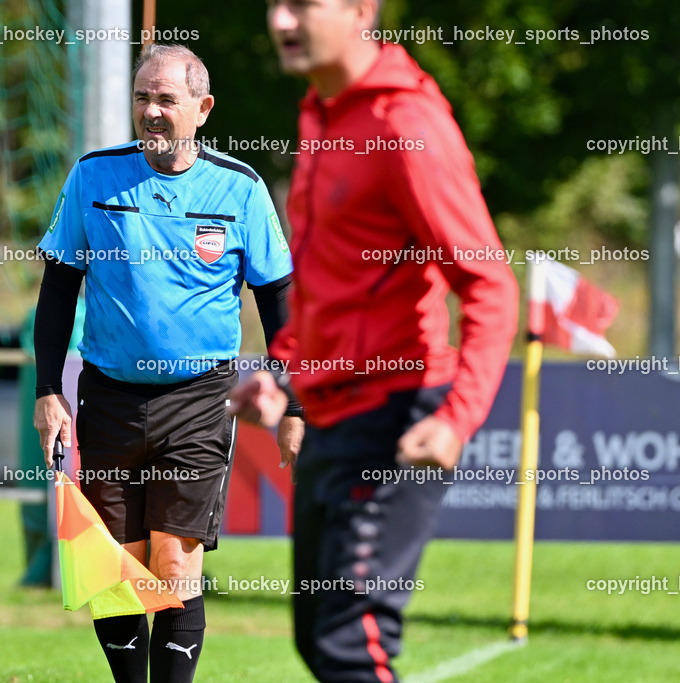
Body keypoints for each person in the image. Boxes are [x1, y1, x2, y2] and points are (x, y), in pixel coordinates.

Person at [230, 2, 519, 681]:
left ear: (361, 10)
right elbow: (330, 282)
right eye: (275, 4)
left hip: (394, 416)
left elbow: (490, 285)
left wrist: (456, 420)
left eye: (303, 4)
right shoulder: (320, 114)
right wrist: (281, 369)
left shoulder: (406, 124)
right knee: (318, 639)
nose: (281, 21)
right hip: (329, 420)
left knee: (350, 643)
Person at [32, 44, 303, 683]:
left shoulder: (240, 188)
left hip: (200, 400)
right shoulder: (93, 177)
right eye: (142, 98)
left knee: (174, 566)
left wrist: (294, 401)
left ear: (202, 109)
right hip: (107, 396)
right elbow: (59, 287)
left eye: (166, 100)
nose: (151, 111)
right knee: (115, 570)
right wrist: (48, 390)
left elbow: (279, 299)